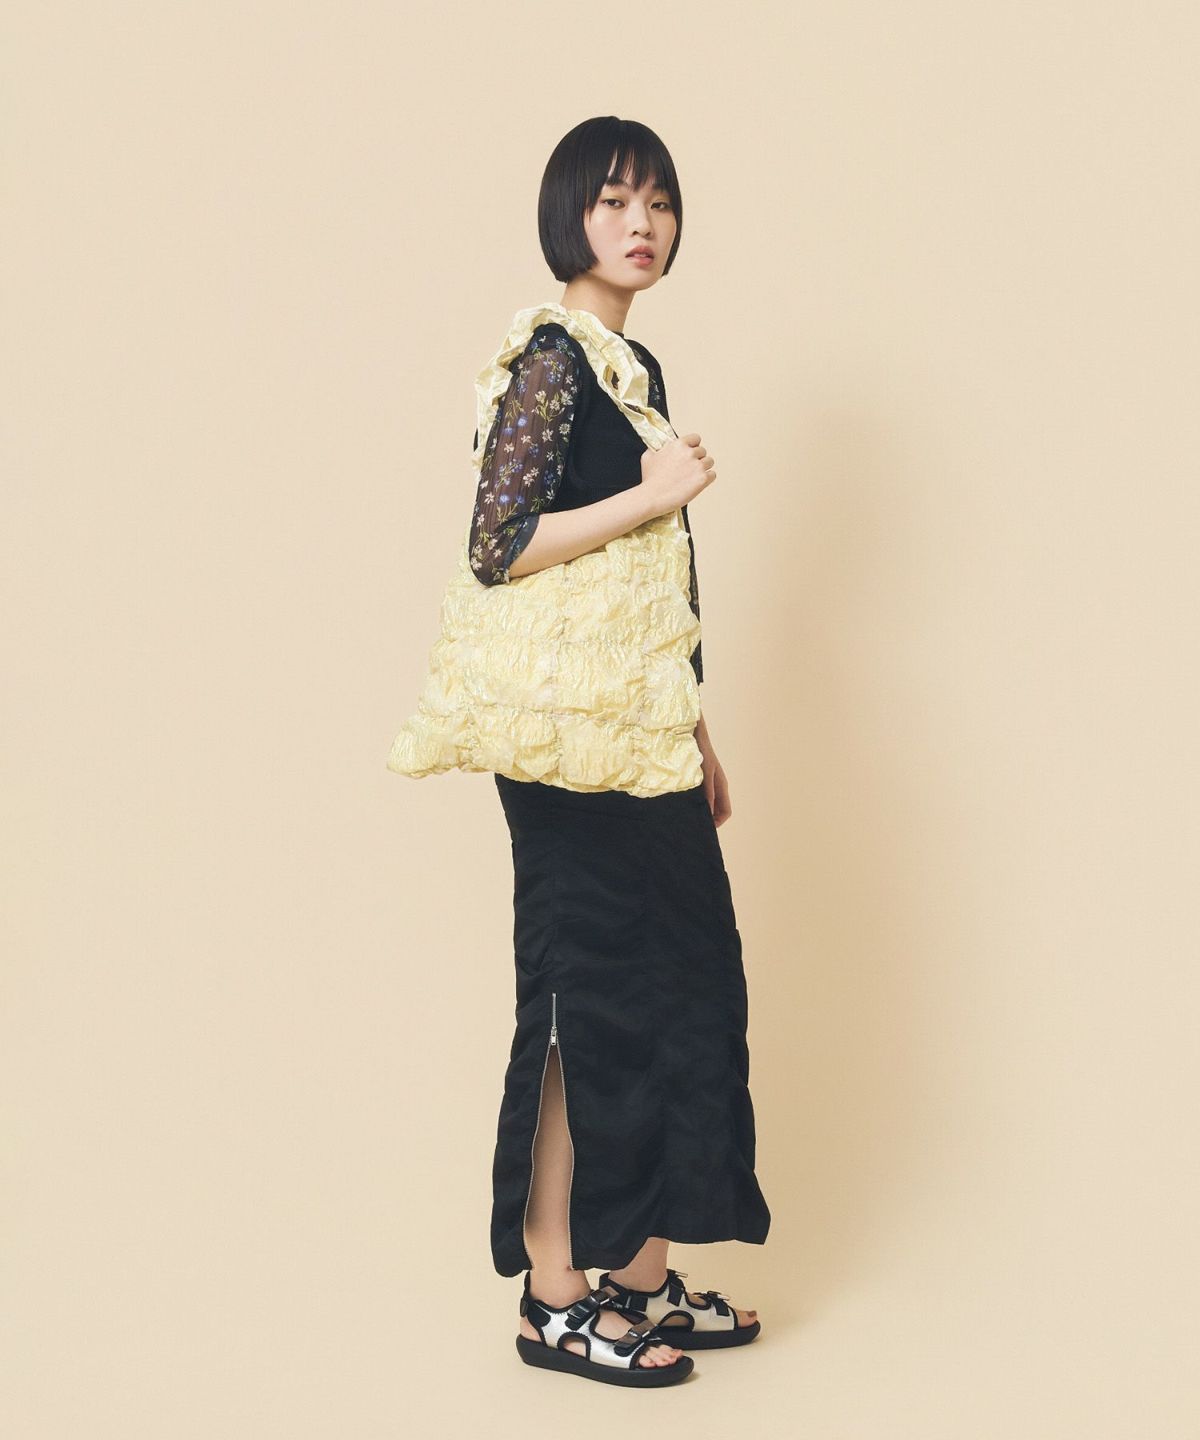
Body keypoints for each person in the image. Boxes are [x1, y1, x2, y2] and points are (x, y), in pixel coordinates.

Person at [471, 116, 771, 1387]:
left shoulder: (632, 367)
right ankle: (555, 1297)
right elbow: (497, 545)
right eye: (612, 202)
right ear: (568, 218)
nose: (641, 224)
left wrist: (694, 732)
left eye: (657, 201)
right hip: (566, 750)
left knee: (680, 991)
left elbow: (645, 592)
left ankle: (640, 1280)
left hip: (641, 736)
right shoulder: (551, 359)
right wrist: (652, 491)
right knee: (581, 1000)